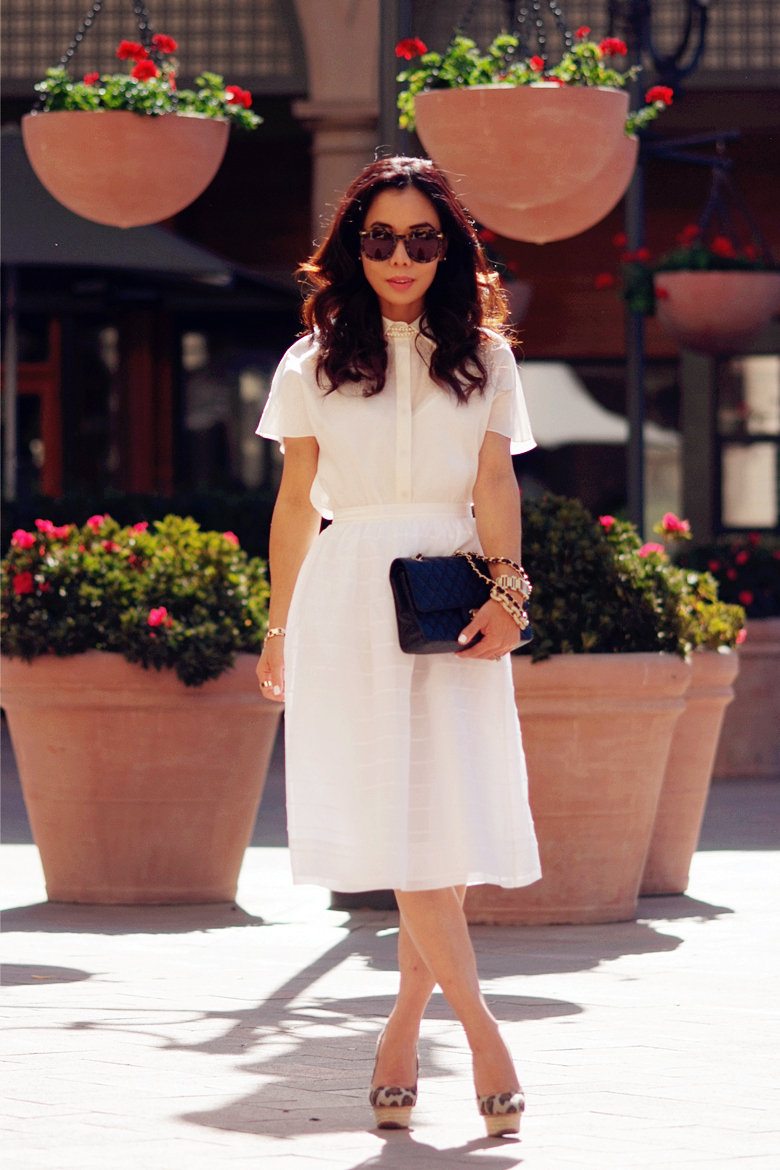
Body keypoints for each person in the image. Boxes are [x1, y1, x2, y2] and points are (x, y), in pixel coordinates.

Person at [256, 156, 541, 1138]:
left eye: (424, 238)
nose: (402, 258)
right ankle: (485, 1033)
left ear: (450, 248)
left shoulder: (488, 356)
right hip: (349, 598)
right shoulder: (313, 362)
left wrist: (510, 591)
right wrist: (277, 622)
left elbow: (497, 484)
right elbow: (296, 505)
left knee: (446, 819)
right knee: (401, 819)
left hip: (453, 590)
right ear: (353, 247)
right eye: (380, 238)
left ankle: (404, 1022)